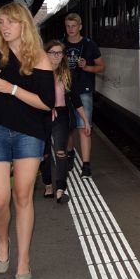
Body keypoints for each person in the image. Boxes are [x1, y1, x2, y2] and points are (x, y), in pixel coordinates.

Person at [0, 2, 54, 279]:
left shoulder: (39, 58)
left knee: (22, 196)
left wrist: (12, 89)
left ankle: (24, 259)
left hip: (29, 132)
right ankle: (2, 240)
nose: (4, 27)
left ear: (23, 24)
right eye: (1, 22)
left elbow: (47, 103)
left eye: (10, 22)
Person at [40, 40, 89, 203]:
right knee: (44, 153)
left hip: (61, 115)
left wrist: (85, 120)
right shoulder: (39, 73)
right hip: (42, 115)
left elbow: (75, 99)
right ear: (46, 54)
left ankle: (60, 189)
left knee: (60, 152)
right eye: (52, 52)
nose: (56, 56)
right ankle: (48, 184)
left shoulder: (67, 74)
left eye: (59, 53)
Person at [62, 13, 105, 178]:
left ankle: (86, 165)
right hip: (65, 90)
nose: (70, 29)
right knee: (67, 127)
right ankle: (70, 152)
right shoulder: (61, 44)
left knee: (84, 127)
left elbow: (102, 67)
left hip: (84, 90)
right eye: (68, 26)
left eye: (73, 26)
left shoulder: (89, 45)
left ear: (80, 27)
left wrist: (87, 67)